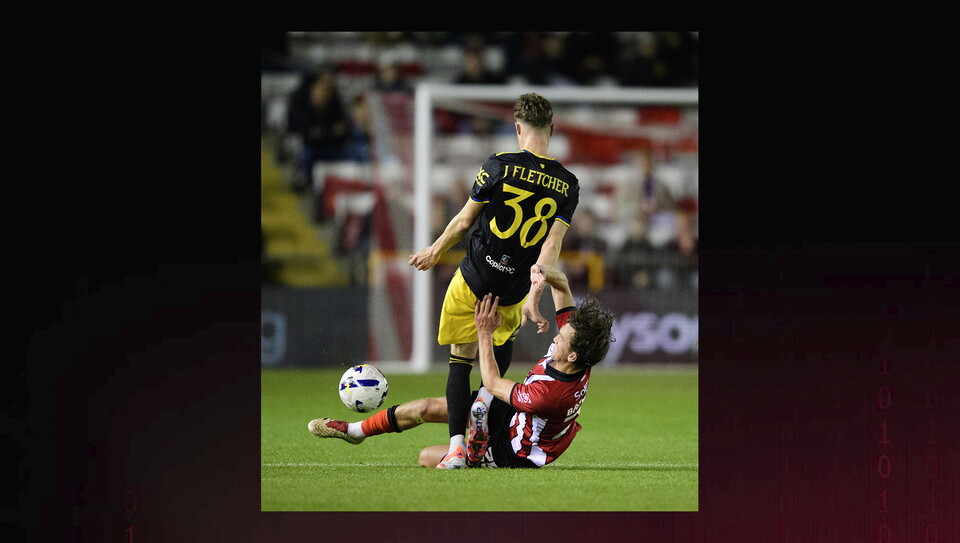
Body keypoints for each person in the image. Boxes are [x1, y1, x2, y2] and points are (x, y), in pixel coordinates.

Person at [407, 92, 581, 468]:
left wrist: (435, 250)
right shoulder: (567, 183)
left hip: (474, 276)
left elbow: (466, 220)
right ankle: (484, 420)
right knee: (494, 363)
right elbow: (551, 245)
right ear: (552, 129)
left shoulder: (499, 164)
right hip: (515, 289)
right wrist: (536, 291)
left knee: (460, 361)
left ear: (518, 128)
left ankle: (456, 449)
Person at [308, 264, 614, 469]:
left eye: (560, 338)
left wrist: (484, 332)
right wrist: (543, 273)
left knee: (426, 457)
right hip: (520, 415)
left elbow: (493, 383)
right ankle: (353, 431)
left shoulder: (549, 394)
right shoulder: (578, 353)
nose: (556, 338)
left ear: (572, 357)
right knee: (427, 407)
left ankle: (478, 444)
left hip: (516, 447)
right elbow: (561, 285)